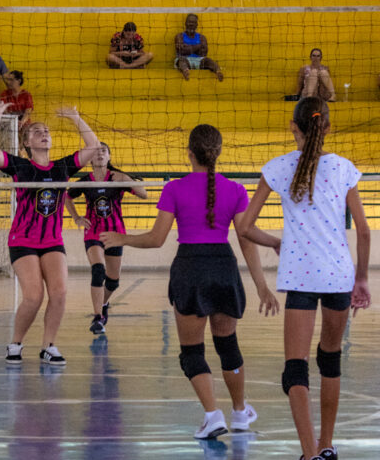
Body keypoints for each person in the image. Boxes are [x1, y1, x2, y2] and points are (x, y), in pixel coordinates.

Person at [100, 124, 279, 439]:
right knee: (228, 345)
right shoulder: (235, 190)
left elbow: (156, 240)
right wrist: (262, 286)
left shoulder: (175, 189)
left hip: (190, 269)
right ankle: (239, 413)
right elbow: (247, 239)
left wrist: (121, 239)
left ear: (190, 153)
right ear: (218, 153)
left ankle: (213, 416)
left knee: (192, 352)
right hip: (224, 268)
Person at [236, 97, 371, 460]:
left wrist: (277, 242)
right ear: (326, 127)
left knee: (295, 367)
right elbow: (362, 230)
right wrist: (361, 279)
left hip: (301, 276)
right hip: (339, 276)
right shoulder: (344, 168)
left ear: (292, 126)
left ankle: (309, 458)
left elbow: (244, 227)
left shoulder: (277, 168)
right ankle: (326, 450)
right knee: (330, 360)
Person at [0, 98, 100, 366]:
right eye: (37, 131)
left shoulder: (61, 168)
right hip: (23, 240)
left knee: (59, 293)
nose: (44, 134)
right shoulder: (20, 167)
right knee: (33, 296)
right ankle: (15, 343)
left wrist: (75, 117)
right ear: (26, 143)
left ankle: (49, 346)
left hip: (51, 241)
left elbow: (93, 146)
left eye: (46, 131)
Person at [65, 142, 148, 334]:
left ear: (109, 157)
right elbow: (67, 197)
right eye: (96, 152)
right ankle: (97, 317)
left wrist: (126, 179)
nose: (100, 154)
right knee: (98, 270)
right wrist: (77, 218)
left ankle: (103, 304)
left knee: (113, 281)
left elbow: (143, 195)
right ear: (90, 159)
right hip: (94, 233)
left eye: (104, 151)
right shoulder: (86, 181)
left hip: (116, 234)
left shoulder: (117, 178)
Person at [174, 14, 223, 81]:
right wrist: (198, 46)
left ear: (197, 25)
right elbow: (181, 51)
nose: (191, 24)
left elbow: (203, 53)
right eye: (189, 22)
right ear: (185, 23)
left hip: (199, 60)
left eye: (193, 22)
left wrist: (188, 48)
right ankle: (185, 71)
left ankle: (218, 71)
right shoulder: (179, 36)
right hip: (185, 59)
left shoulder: (202, 37)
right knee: (181, 61)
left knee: (208, 61)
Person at [0, 70, 34, 141]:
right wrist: (14, 121)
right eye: (8, 80)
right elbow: (4, 111)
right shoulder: (4, 94)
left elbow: (28, 111)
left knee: (27, 132)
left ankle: (24, 149)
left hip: (23, 122)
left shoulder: (26, 94)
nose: (8, 82)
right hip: (9, 120)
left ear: (19, 81)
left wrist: (21, 122)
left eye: (11, 80)